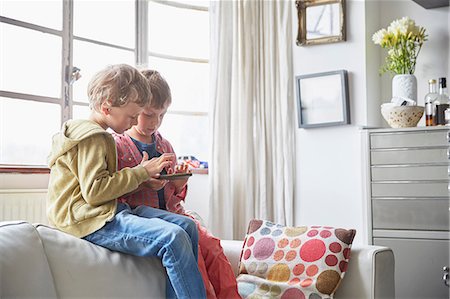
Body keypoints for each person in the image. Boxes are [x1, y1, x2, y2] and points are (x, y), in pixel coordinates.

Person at [46, 64, 206, 299]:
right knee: (173, 238)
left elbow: (103, 186)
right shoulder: (94, 138)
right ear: (106, 107)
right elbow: (95, 192)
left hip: (105, 211)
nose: (133, 123)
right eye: (132, 116)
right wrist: (141, 172)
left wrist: (143, 180)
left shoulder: (98, 135)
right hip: (86, 219)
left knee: (187, 226)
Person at [113, 69, 241, 299]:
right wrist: (143, 182)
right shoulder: (119, 146)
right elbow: (118, 196)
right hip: (147, 219)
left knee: (212, 246)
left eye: (161, 115)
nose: (155, 122)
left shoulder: (165, 145)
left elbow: (174, 197)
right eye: (149, 114)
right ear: (134, 109)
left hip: (176, 214)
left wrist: (179, 184)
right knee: (194, 257)